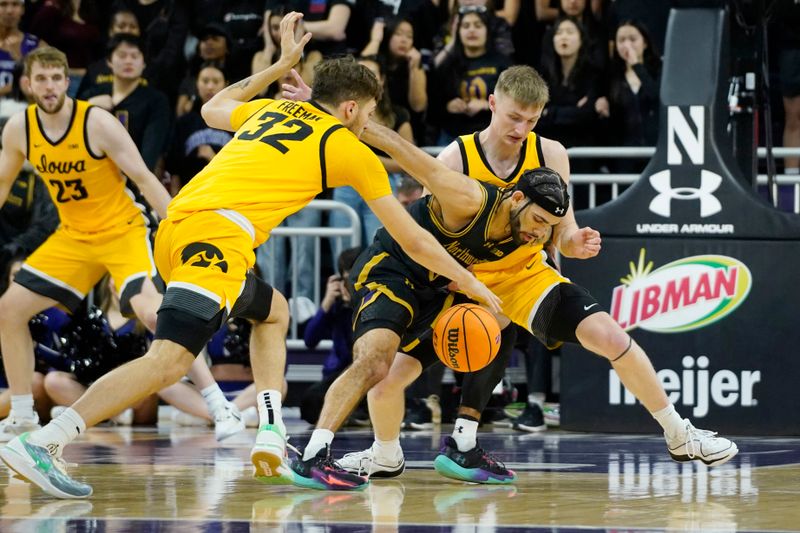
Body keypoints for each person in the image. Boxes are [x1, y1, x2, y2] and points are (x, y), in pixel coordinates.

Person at [0, 12, 499, 499]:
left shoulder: (271, 109)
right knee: (169, 359)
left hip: (178, 231)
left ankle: (270, 433)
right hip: (216, 237)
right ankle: (47, 440)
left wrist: (279, 67)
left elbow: (212, 107)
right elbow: (412, 239)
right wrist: (472, 283)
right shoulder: (349, 149)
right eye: (368, 114)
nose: (368, 124)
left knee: (273, 310)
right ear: (351, 109)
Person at [338, 65, 738, 484]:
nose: (521, 128)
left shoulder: (550, 154)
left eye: (531, 120)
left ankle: (679, 434)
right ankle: (385, 453)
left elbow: (561, 229)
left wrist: (573, 242)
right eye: (514, 117)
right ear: (493, 104)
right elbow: (427, 234)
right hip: (462, 279)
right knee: (387, 379)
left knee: (611, 336)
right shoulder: (457, 157)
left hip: (524, 277)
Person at [289, 129, 571, 490]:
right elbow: (403, 150)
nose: (539, 233)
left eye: (549, 228)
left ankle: (460, 443)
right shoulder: (468, 196)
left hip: (438, 289)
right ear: (517, 199)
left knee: (499, 323)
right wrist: (351, 122)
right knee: (376, 362)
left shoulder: (526, 236)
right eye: (538, 222)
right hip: (392, 271)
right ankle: (315, 453)